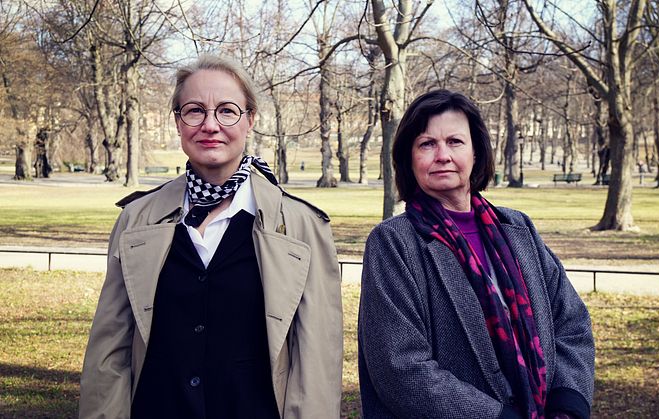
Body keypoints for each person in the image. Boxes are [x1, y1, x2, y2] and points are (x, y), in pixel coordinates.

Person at [79, 55, 343, 418]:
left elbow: (317, 364)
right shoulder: (136, 220)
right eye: (194, 110)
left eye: (227, 110)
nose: (210, 125)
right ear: (177, 121)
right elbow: (109, 353)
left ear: (250, 119)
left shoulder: (302, 227)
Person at [358, 90, 594, 419]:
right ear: (409, 159)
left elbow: (571, 323)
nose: (442, 155)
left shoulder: (518, 228)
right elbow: (400, 368)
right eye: (427, 144)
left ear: (476, 152)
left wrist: (567, 405)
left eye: (455, 141)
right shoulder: (393, 243)